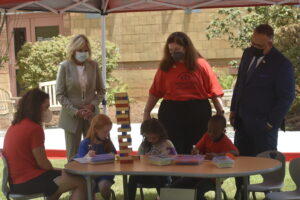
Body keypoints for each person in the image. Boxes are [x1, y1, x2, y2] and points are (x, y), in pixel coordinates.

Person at [230, 24, 295, 199]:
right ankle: (241, 192)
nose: (254, 48)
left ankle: (271, 195)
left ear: (270, 42)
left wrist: (270, 123)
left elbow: (287, 98)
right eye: (253, 43)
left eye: (259, 46)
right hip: (242, 122)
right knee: (241, 163)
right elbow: (240, 84)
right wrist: (233, 110)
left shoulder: (282, 64)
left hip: (264, 127)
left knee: (268, 167)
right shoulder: (247, 54)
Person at [143, 32, 224, 154]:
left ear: (186, 47)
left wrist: (220, 113)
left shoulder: (201, 64)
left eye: (177, 49)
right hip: (172, 112)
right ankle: (176, 173)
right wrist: (147, 112)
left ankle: (197, 173)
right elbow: (155, 92)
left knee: (199, 148)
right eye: (170, 50)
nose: (173, 53)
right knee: (174, 149)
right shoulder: (166, 67)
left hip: (198, 111)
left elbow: (213, 90)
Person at [3, 88, 87, 200]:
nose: (48, 111)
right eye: (46, 107)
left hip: (16, 183)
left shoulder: (13, 127)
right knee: (80, 181)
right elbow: (43, 164)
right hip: (28, 182)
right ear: (36, 107)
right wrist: (61, 170)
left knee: (60, 181)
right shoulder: (34, 129)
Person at [56, 34, 106, 160]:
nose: (83, 53)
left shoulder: (94, 65)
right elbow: (60, 94)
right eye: (80, 50)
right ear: (73, 50)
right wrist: (75, 111)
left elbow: (101, 90)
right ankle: (73, 179)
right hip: (71, 117)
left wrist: (92, 105)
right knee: (73, 156)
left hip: (91, 116)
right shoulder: (64, 66)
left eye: (86, 50)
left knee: (93, 152)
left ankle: (92, 180)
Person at [171, 115, 239, 200]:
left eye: (215, 132)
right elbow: (196, 148)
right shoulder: (206, 136)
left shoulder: (225, 141)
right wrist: (195, 151)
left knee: (197, 191)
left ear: (223, 131)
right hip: (198, 174)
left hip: (213, 179)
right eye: (209, 131)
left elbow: (235, 153)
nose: (211, 134)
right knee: (174, 186)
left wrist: (217, 155)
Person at [128, 118, 177, 200]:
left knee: (156, 176)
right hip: (146, 175)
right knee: (132, 177)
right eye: (148, 138)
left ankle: (162, 197)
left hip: (162, 176)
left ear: (160, 134)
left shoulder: (167, 144)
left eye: (154, 138)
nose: (151, 140)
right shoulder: (144, 145)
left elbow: (174, 159)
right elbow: (138, 160)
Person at [74, 114, 116, 200]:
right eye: (105, 132)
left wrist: (112, 155)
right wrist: (88, 156)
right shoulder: (85, 143)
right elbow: (80, 162)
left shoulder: (107, 142)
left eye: (108, 131)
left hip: (105, 174)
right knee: (89, 185)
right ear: (96, 129)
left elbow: (115, 157)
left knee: (104, 186)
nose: (107, 134)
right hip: (89, 176)